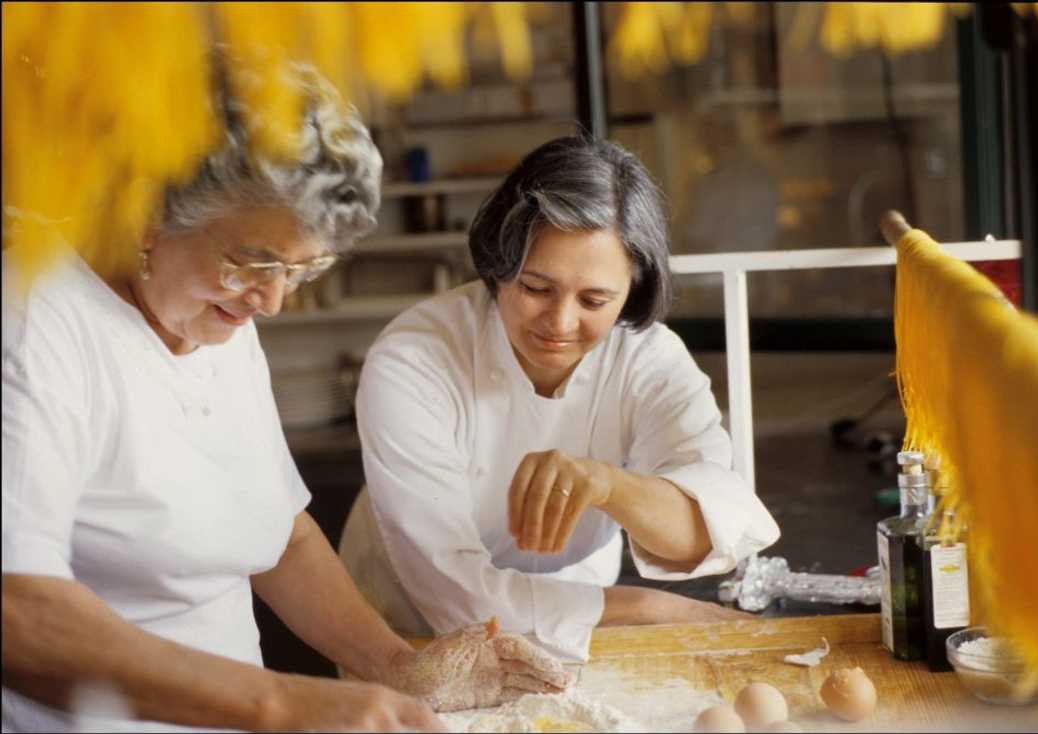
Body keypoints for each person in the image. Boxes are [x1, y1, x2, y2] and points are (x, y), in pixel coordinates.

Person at [0, 62, 569, 733]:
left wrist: (396, 666)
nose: (272, 301)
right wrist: (282, 702)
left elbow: (283, 536)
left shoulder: (210, 314)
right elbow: (17, 609)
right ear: (145, 213)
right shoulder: (33, 320)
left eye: (302, 269)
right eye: (255, 261)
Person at [347, 135, 782, 662]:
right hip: (409, 628)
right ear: (499, 264)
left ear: (632, 289)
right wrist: (648, 609)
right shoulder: (414, 360)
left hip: (579, 616)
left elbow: (704, 528)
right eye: (535, 288)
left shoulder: (648, 359)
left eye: (595, 299)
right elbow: (457, 594)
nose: (560, 323)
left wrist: (607, 483)